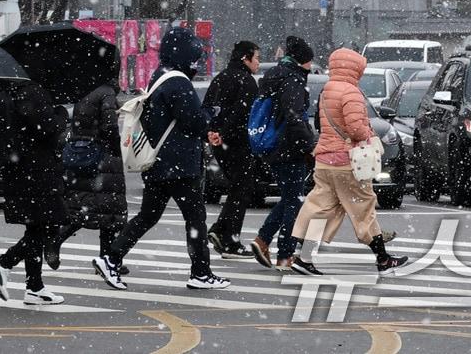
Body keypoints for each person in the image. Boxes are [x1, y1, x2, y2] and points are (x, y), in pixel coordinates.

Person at [94, 27, 230, 292]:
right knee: (195, 218)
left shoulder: (160, 77)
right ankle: (200, 272)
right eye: (193, 50)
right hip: (179, 165)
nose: (196, 56)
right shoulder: (178, 82)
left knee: (148, 216)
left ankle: (111, 258)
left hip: (159, 162)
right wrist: (210, 113)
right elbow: (193, 121)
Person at [289, 48, 408, 274]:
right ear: (354, 68)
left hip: (324, 160)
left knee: (320, 208)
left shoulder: (327, 89)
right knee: (363, 208)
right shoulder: (351, 92)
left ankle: (303, 258)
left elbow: (320, 124)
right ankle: (383, 259)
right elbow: (355, 128)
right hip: (347, 161)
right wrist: (369, 134)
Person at [0, 76, 69, 306]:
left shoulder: (12, 92)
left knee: (37, 226)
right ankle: (4, 263)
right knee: (45, 224)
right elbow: (47, 129)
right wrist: (61, 114)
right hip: (38, 171)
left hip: (22, 170)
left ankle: (34, 287)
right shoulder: (31, 92)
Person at [250, 35, 318, 272]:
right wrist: (311, 144)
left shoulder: (274, 75)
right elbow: (294, 116)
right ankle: (285, 255)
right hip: (289, 148)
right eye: (309, 61)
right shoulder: (293, 80)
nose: (311, 65)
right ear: (301, 61)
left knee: (290, 197)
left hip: (272, 146)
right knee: (294, 202)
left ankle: (263, 240)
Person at [58, 75, 127, 267]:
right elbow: (110, 126)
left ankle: (58, 240)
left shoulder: (86, 90)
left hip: (85, 155)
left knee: (87, 207)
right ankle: (107, 258)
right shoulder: (107, 93)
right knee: (109, 210)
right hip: (103, 158)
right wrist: (115, 148)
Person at [204, 40, 261, 259]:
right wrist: (224, 132)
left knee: (237, 188)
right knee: (242, 189)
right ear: (245, 58)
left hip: (220, 144)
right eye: (256, 58)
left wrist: (211, 131)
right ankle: (228, 238)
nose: (257, 62)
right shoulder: (247, 82)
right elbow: (242, 112)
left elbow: (208, 108)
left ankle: (222, 232)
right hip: (238, 142)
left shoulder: (220, 78)